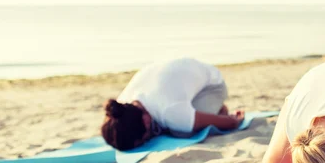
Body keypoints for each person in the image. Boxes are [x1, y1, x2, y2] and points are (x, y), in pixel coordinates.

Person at [101, 57, 244, 150]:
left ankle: (218, 106)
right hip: (179, 74)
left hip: (212, 85)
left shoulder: (170, 111)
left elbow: (230, 123)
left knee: (181, 131)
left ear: (145, 121)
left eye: (142, 141)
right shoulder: (121, 105)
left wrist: (234, 120)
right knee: (176, 123)